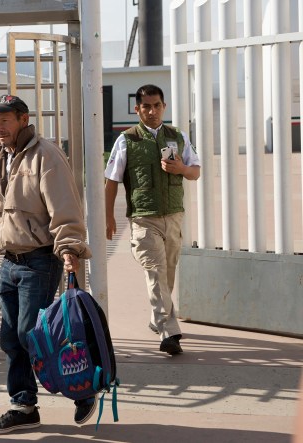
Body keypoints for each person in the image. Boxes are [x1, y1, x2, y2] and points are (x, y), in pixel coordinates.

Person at [0, 94, 94, 434]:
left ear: (23, 119)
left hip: (40, 260)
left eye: (4, 120)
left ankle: (83, 384)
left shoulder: (45, 156)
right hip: (10, 262)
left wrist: (70, 247)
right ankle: (23, 406)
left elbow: (64, 206)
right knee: (11, 337)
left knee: (31, 333)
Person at [104, 84, 201, 355]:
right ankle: (169, 331)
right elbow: (111, 180)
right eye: (146, 106)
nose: (152, 110)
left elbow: (195, 172)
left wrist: (181, 168)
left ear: (164, 107)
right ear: (137, 109)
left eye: (157, 105)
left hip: (173, 215)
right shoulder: (127, 140)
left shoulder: (178, 136)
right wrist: (108, 216)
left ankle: (155, 318)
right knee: (155, 270)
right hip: (143, 219)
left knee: (167, 273)